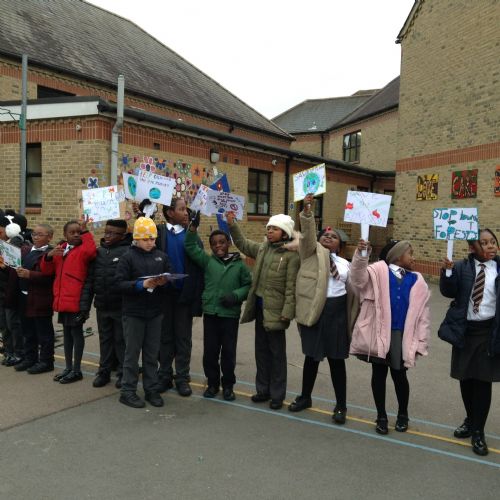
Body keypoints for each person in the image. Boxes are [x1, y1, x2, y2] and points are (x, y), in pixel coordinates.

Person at [349, 238, 431, 434]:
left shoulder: (416, 280)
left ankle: (403, 414)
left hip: (401, 335)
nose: (413, 258)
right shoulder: (378, 272)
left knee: (400, 375)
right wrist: (361, 256)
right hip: (379, 332)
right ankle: (381, 416)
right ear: (398, 256)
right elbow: (357, 278)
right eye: (410, 253)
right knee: (378, 374)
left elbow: (423, 316)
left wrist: (421, 341)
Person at [289, 194, 355, 424]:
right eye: (325, 235)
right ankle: (305, 397)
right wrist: (308, 211)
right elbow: (307, 235)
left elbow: (359, 283)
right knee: (312, 357)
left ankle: (341, 406)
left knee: (337, 361)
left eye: (333, 236)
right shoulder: (310, 253)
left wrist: (364, 252)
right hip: (316, 311)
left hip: (337, 313)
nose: (328, 237)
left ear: (340, 244)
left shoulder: (347, 265)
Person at [226, 210, 300, 410]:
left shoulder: (291, 256)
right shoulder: (263, 249)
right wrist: (232, 224)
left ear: (285, 233)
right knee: (261, 351)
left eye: (274, 229)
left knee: (277, 354)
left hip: (277, 311)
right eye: (268, 228)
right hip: (259, 308)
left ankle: (277, 394)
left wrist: (288, 311)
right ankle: (263, 389)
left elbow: (291, 287)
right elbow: (242, 243)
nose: (269, 231)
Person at [438, 228, 500, 456]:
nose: (491, 246)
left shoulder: (499, 268)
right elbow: (448, 291)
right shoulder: (462, 267)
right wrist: (447, 272)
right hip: (465, 331)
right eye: (484, 243)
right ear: (472, 248)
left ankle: (478, 432)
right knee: (466, 379)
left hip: (489, 332)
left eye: (493, 242)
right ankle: (471, 419)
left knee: (483, 382)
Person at [184, 211, 252, 401]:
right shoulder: (208, 261)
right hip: (212, 314)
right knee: (210, 352)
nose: (218, 246)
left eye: (221, 242)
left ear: (228, 243)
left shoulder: (239, 265)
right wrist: (192, 228)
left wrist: (236, 295)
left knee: (229, 353)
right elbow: (190, 246)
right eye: (214, 244)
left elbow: (249, 285)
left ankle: (228, 385)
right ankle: (213, 384)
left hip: (229, 315)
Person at [115, 216, 172, 409]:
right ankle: (127, 391)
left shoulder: (161, 256)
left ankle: (151, 389)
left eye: (153, 239)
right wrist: (141, 285)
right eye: (146, 239)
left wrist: (164, 282)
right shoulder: (127, 257)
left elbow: (169, 275)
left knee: (151, 353)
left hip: (155, 312)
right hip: (134, 313)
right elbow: (119, 283)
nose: (150, 242)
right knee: (132, 354)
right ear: (137, 239)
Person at [156, 198, 204, 397]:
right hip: (164, 294)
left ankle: (182, 377)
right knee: (164, 337)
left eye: (187, 210)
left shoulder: (191, 236)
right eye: (182, 209)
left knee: (183, 338)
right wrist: (142, 214)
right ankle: (164, 375)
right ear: (170, 212)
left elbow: (199, 262)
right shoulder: (158, 233)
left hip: (184, 295)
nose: (186, 213)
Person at [40, 218, 96, 384]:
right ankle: (68, 367)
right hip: (62, 299)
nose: (76, 235)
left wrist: (86, 232)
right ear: (65, 234)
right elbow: (47, 270)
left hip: (76, 299)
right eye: (72, 232)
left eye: (79, 232)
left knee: (76, 333)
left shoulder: (82, 251)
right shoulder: (61, 250)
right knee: (66, 334)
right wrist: (48, 257)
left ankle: (76, 370)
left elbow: (91, 251)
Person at [82, 219, 131, 388]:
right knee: (105, 339)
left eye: (113, 233)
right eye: (106, 232)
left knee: (121, 340)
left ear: (123, 235)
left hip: (121, 305)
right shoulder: (99, 252)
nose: (108, 236)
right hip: (102, 305)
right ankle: (104, 371)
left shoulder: (128, 252)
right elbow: (90, 280)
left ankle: (123, 373)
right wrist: (85, 305)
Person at [14, 224, 55, 374]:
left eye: (40, 235)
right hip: (24, 296)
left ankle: (46, 361)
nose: (35, 237)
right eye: (34, 234)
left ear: (49, 237)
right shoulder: (27, 251)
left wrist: (29, 275)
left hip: (41, 298)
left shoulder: (50, 253)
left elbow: (50, 277)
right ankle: (30, 358)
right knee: (28, 330)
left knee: (44, 332)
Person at [0, 215, 30, 366]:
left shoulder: (16, 245)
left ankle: (19, 352)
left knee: (13, 324)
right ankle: (9, 351)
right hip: (2, 292)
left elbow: (15, 270)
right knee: (4, 325)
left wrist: (5, 268)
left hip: (11, 292)